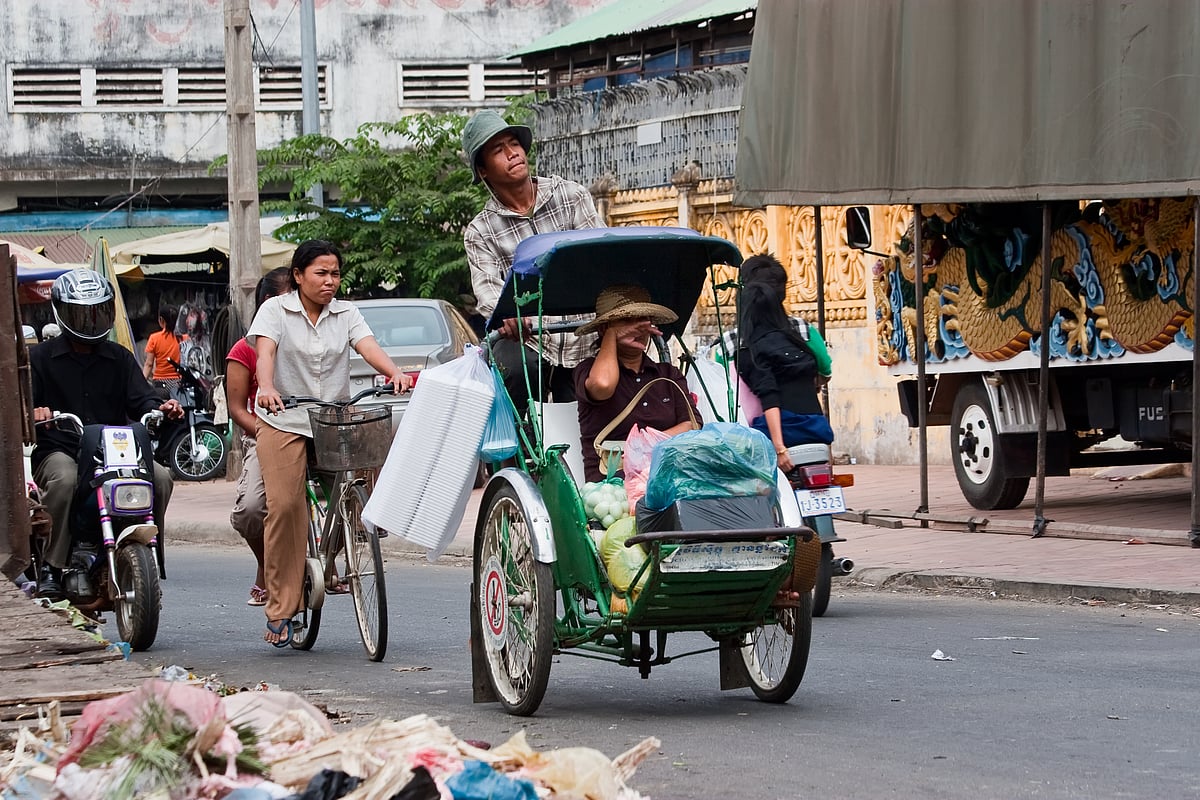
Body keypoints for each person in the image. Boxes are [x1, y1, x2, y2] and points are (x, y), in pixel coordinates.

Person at [248, 240, 413, 647]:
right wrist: (267, 387)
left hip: (332, 416)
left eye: (335, 273)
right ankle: (282, 608)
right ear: (298, 276)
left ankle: (333, 555)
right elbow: (264, 353)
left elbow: (368, 347)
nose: (329, 281)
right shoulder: (275, 310)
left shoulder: (346, 313)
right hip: (284, 418)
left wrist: (394, 372)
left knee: (350, 489)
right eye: (321, 273)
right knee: (285, 506)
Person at [29, 268, 183, 599]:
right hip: (62, 449)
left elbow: (142, 399)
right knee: (65, 481)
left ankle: (141, 543)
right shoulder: (39, 358)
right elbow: (24, 406)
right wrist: (36, 412)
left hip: (111, 452)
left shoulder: (120, 358)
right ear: (62, 311)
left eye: (97, 313)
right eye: (80, 314)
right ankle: (51, 567)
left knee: (161, 478)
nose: (90, 322)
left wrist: (161, 407)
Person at [461, 109, 602, 413]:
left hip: (584, 336)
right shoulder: (480, 230)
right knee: (513, 371)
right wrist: (508, 311)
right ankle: (516, 454)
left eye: (514, 144)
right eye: (499, 150)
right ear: (484, 171)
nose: (513, 154)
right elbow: (487, 289)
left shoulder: (570, 196)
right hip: (530, 341)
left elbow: (599, 258)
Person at [574, 284, 700, 483]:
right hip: (613, 483)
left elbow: (691, 426)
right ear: (603, 329)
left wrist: (645, 446)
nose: (638, 328)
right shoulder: (587, 370)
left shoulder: (668, 374)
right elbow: (603, 385)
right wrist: (611, 336)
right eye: (626, 320)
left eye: (642, 319)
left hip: (668, 476)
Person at [225, 266, 292, 607]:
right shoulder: (245, 349)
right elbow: (237, 409)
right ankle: (266, 564)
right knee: (251, 510)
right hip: (265, 435)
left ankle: (337, 562)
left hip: (315, 430)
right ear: (268, 304)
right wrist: (268, 430)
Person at [735, 253, 835, 476]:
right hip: (817, 427)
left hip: (784, 431)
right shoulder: (800, 334)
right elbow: (824, 370)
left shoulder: (736, 344)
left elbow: (767, 396)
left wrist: (779, 448)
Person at [142, 304, 182, 385]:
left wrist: (141, 383)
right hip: (178, 384)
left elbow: (149, 364)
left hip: (160, 384)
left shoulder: (154, 338)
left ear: (161, 320)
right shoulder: (183, 338)